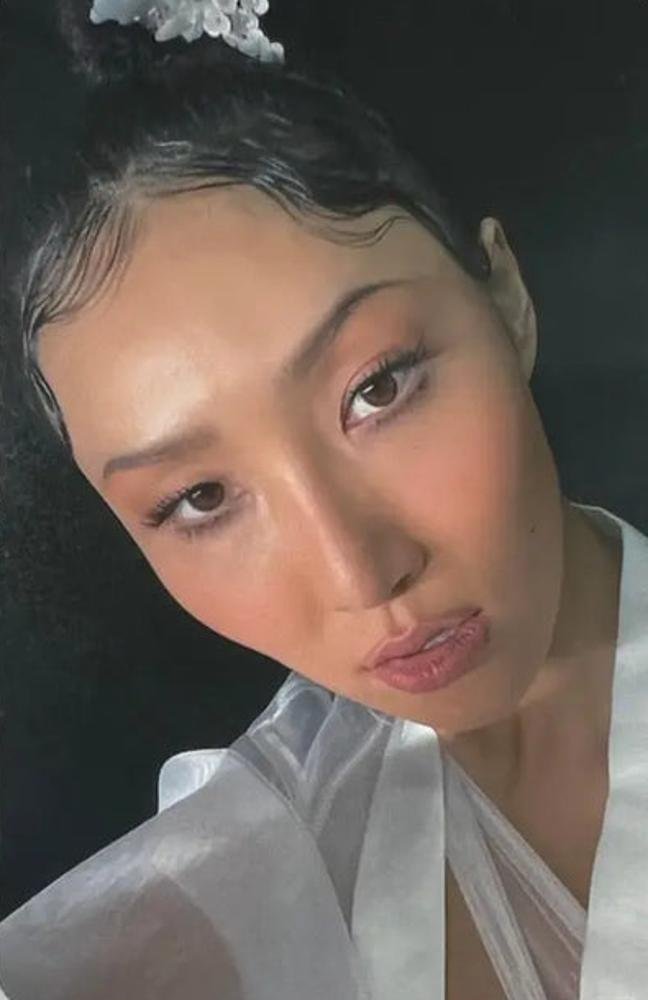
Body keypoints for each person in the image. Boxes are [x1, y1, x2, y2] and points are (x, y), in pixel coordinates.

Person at [1, 1, 647, 998]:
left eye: (377, 388)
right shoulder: (216, 899)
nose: (360, 572)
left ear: (507, 298)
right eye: (201, 497)